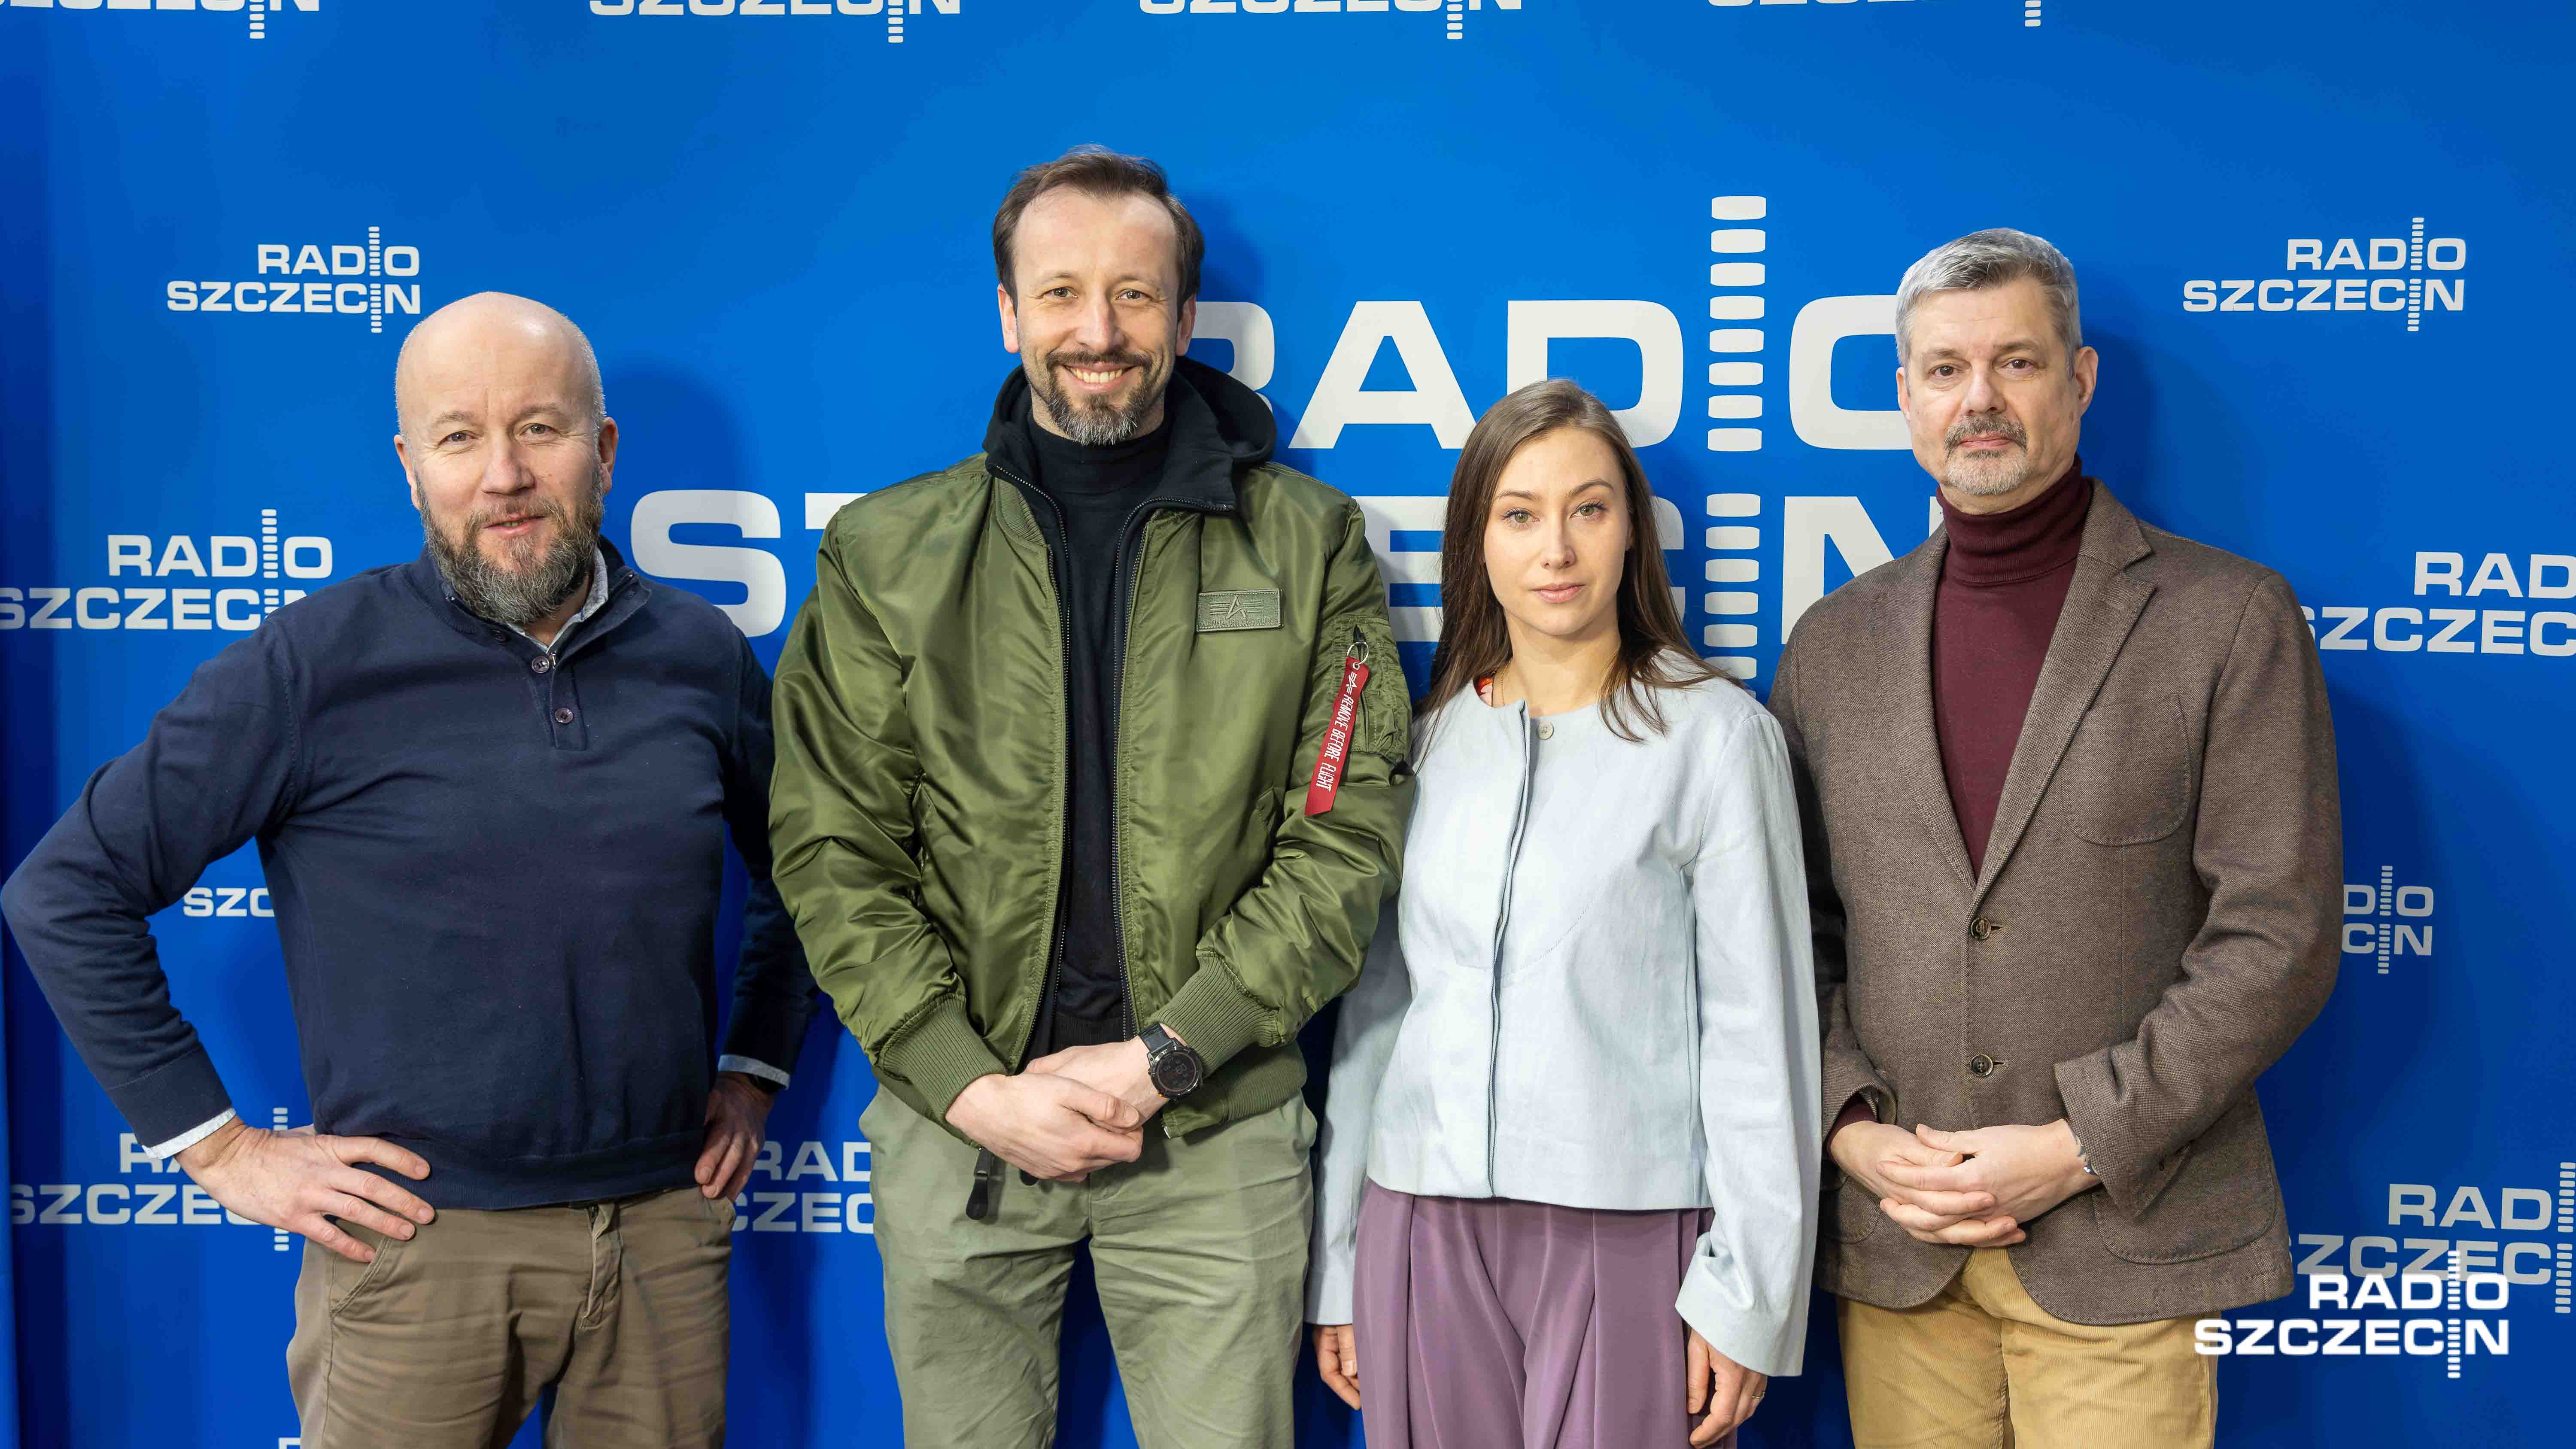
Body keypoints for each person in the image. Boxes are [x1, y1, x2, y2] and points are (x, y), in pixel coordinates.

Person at [0, 292, 815, 1447]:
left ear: (602, 449)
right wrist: (219, 1148)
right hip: (418, 1251)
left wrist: (755, 1067)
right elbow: (65, 889)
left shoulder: (700, 654)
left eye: (539, 429)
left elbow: (810, 874)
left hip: (662, 1238)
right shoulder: (317, 662)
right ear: (411, 467)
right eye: (459, 436)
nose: (504, 476)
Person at [768, 146, 1411, 1449]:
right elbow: (833, 849)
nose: (1098, 332)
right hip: (963, 1129)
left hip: (1213, 1124)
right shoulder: (885, 555)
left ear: (1185, 314)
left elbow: (1343, 839)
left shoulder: (1308, 542)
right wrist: (966, 1082)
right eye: (1061, 293)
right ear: (1010, 313)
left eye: (1134, 294)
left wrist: (1168, 1053)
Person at [1769, 229, 2341, 1449]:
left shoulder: (2228, 618)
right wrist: (1852, 1131)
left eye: (2016, 363)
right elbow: (1790, 935)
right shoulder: (1831, 645)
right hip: (1904, 1254)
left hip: (2124, 1246)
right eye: (1945, 369)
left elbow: (2277, 936)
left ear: (2079, 381)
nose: (1978, 398)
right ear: (1907, 396)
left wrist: (2080, 1144)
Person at [1306, 379, 1821, 1449]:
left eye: (1589, 508)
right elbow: (1376, 1020)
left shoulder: (1718, 739)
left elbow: (1760, 1037)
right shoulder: (1430, 744)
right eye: (1520, 513)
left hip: (1630, 1232)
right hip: (1421, 1226)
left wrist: (1747, 1293)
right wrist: (1342, 1263)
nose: (1557, 548)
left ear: (1632, 529)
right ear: (1477, 541)